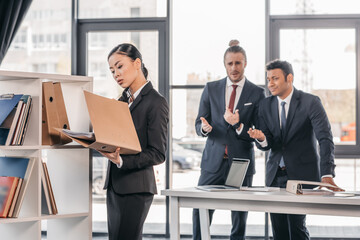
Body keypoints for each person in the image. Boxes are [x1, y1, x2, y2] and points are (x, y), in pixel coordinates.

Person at [248, 59, 343, 240]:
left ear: (289, 78)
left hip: (300, 175)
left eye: (275, 78)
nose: (270, 84)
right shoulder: (265, 106)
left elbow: (325, 139)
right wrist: (261, 138)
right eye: (268, 79)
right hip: (275, 176)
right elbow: (269, 143)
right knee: (279, 231)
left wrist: (327, 173)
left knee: (297, 229)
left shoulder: (310, 102)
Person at [193, 40, 265, 240]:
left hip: (241, 163)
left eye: (238, 63)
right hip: (212, 163)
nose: (234, 68)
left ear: (245, 64)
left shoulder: (257, 93)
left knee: (239, 217)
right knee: (201, 211)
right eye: (230, 63)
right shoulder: (211, 88)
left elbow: (258, 131)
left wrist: (238, 125)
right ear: (224, 64)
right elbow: (199, 123)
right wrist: (204, 129)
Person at [99, 43, 169, 240]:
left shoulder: (156, 102)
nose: (116, 74)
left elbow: (158, 153)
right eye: (112, 70)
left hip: (136, 188)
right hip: (115, 185)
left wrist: (121, 161)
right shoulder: (122, 102)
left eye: (119, 66)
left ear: (137, 63)